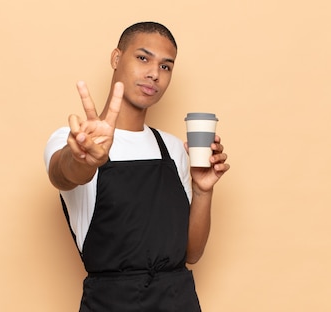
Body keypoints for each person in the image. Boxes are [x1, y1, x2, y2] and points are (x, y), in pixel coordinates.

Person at [44, 21, 230, 312]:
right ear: (116, 58)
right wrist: (83, 159)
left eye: (166, 67)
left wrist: (203, 190)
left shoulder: (173, 150)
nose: (154, 74)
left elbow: (191, 254)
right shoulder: (74, 141)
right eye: (143, 58)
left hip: (178, 302)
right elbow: (63, 174)